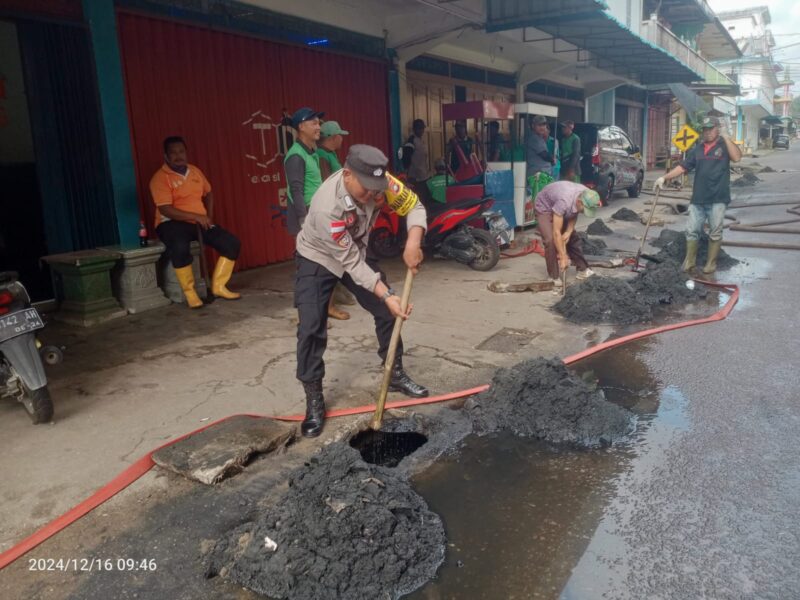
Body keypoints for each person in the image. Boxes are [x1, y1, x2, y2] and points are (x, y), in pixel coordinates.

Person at [294, 144, 428, 437]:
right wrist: (387, 294)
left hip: (357, 248)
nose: (373, 196)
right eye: (366, 189)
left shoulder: (380, 183)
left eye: (377, 189)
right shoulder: (326, 208)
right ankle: (313, 397)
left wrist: (413, 242)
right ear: (347, 175)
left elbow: (414, 206)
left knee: (387, 312)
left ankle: (394, 372)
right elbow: (351, 264)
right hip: (318, 257)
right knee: (311, 326)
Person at [150, 136, 241, 308]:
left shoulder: (195, 171)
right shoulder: (160, 178)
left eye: (181, 152)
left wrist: (208, 216)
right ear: (166, 156)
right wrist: (196, 216)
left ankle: (219, 287)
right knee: (180, 247)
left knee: (231, 243)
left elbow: (209, 193)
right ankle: (190, 293)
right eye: (173, 153)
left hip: (198, 221)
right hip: (171, 222)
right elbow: (165, 209)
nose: (178, 156)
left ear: (186, 153)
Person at [283, 107, 349, 320]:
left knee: (327, 262)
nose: (318, 127)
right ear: (301, 127)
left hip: (318, 213)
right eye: (314, 123)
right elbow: (296, 191)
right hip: (307, 217)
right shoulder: (296, 155)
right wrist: (305, 222)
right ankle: (306, 316)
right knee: (308, 268)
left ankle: (326, 307)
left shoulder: (310, 152)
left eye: (319, 123)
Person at [654, 116, 742, 274]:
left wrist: (727, 138)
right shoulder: (698, 149)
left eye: (710, 129)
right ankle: (689, 262)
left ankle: (711, 264)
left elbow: (737, 157)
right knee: (692, 230)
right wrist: (664, 178)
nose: (707, 132)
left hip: (717, 198)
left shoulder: (724, 146)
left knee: (715, 231)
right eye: (705, 129)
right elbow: (683, 167)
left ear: (717, 128)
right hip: (698, 199)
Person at [534, 180, 601, 291]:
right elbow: (556, 232)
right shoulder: (564, 201)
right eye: (585, 209)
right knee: (550, 239)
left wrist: (569, 232)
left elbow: (574, 213)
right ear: (580, 202)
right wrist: (563, 256)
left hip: (563, 205)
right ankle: (553, 277)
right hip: (544, 207)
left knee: (573, 237)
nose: (584, 212)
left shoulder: (587, 193)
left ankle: (582, 270)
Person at [406, 119, 429, 184]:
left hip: (423, 176)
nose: (421, 131)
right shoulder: (411, 141)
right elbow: (407, 157)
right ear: (414, 129)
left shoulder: (422, 141)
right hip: (415, 178)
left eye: (422, 128)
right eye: (419, 128)